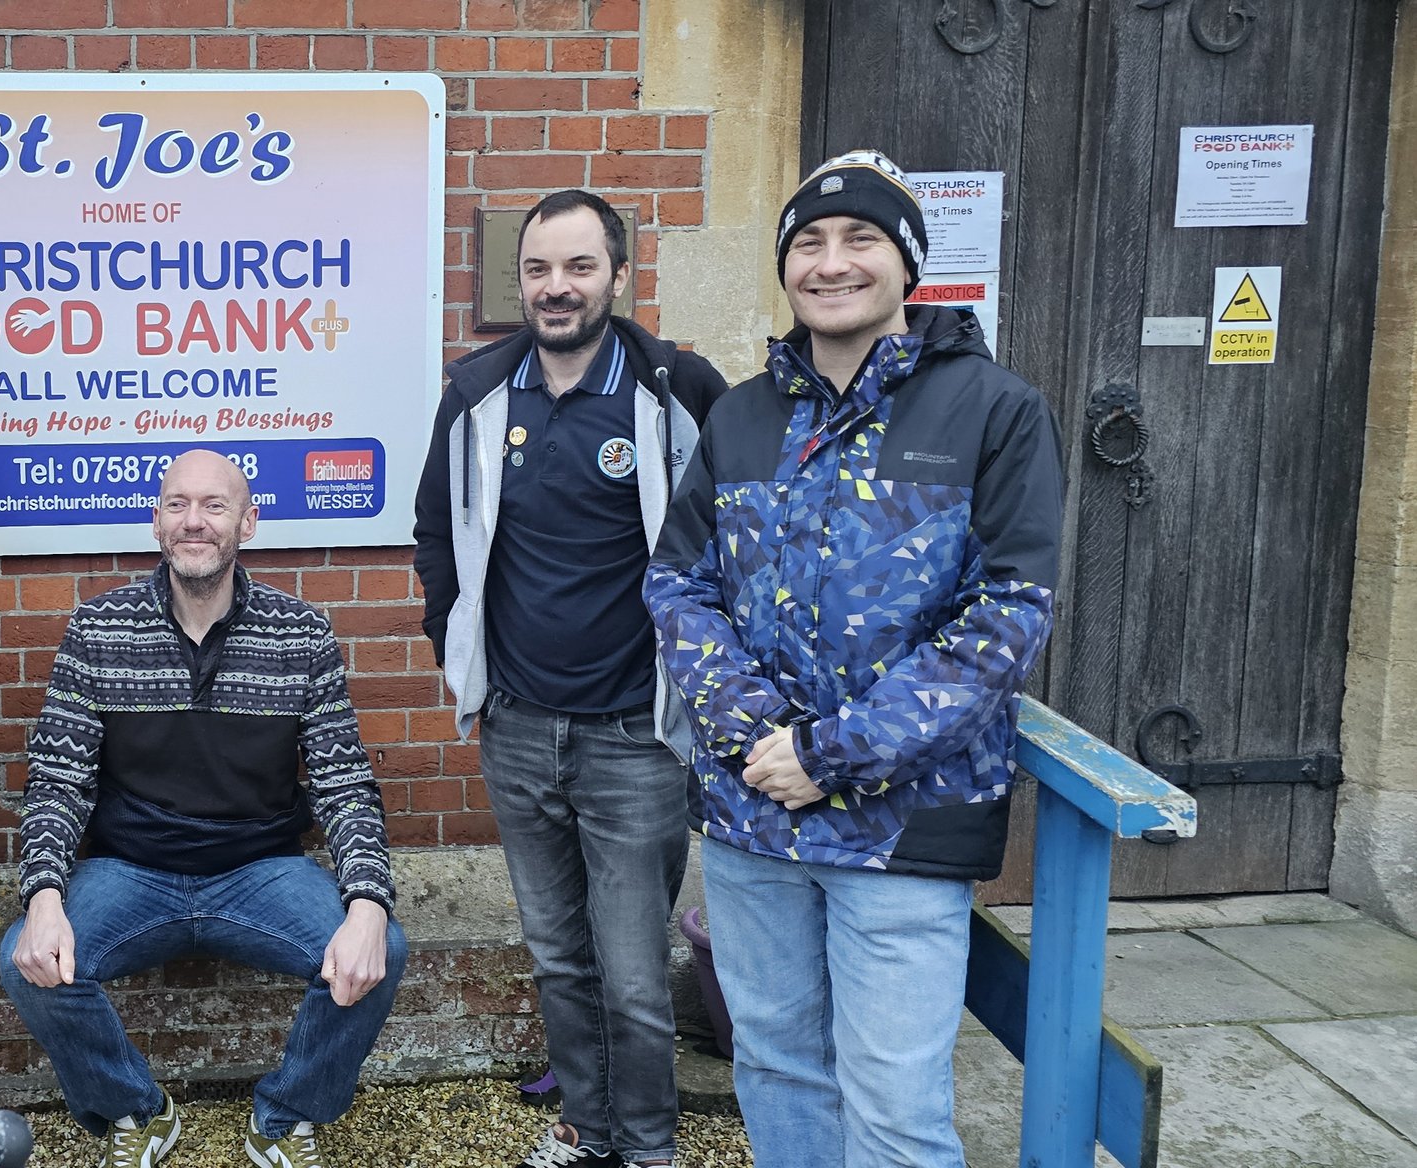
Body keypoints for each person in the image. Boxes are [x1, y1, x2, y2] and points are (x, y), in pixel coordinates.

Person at [644, 149, 1064, 1168]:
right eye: (808, 244)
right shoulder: (742, 417)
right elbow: (677, 584)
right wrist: (757, 737)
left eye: (859, 240)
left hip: (903, 829)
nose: (831, 263)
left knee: (894, 1103)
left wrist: (829, 753)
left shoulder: (992, 411)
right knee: (777, 1064)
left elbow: (1006, 615)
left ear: (906, 265)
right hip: (753, 818)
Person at [411, 190, 726, 1168]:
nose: (557, 287)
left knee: (630, 973)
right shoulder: (475, 394)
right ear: (521, 281)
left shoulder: (678, 389)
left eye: (579, 267)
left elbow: (732, 543)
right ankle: (590, 1133)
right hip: (515, 727)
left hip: (635, 733)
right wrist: (458, 652)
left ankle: (648, 1147)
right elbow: (436, 539)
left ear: (618, 277)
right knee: (557, 958)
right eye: (540, 269)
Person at [1, 451, 405, 1168]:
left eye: (215, 506)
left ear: (249, 521)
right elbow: (57, 783)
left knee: (386, 948)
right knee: (22, 959)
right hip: (133, 872)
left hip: (261, 871)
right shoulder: (98, 630)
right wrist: (43, 895)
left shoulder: (300, 634)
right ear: (155, 520)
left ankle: (284, 1118)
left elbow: (344, 784)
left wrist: (369, 904)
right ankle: (139, 1111)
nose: (195, 521)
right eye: (178, 504)